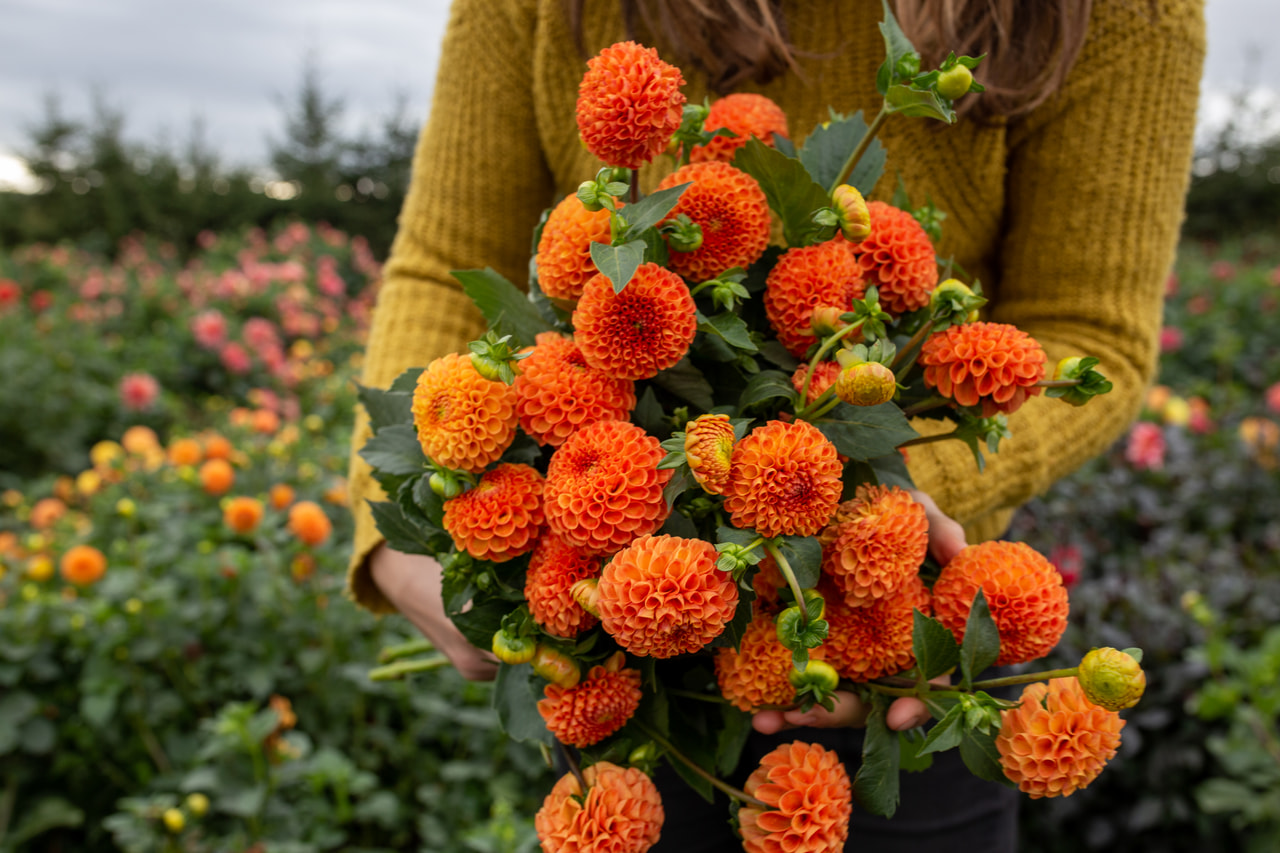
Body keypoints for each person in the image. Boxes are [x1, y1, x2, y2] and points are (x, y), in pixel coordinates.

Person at [345, 1, 1205, 849]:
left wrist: (878, 503)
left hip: (912, 629)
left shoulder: (1127, 13)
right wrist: (399, 541)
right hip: (618, 652)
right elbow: (442, 262)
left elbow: (1089, 331)